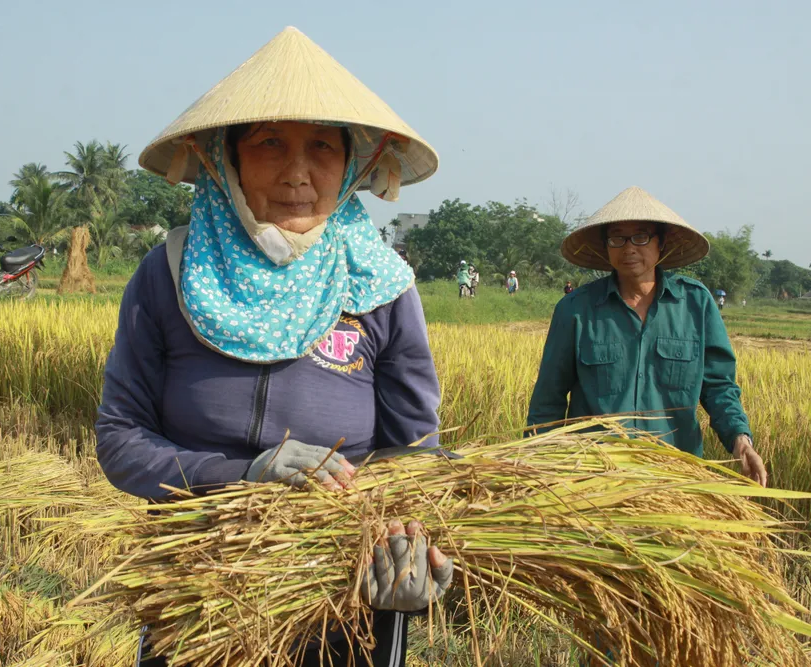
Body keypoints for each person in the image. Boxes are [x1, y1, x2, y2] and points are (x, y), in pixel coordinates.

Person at [95, 27, 453, 667]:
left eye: (322, 146)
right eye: (268, 145)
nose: (297, 173)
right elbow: (121, 440)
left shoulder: (381, 287)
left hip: (335, 599)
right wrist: (241, 475)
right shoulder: (172, 273)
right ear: (225, 160)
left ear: (352, 167)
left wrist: (413, 537)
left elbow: (414, 453)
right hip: (195, 595)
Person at [527, 186, 767, 488]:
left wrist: (740, 440)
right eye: (617, 238)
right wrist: (537, 469)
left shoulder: (696, 304)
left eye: (641, 237)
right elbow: (547, 402)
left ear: (661, 244)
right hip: (593, 479)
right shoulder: (575, 311)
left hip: (675, 477)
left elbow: (719, 388)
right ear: (606, 247)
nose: (629, 248)